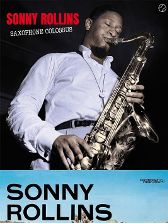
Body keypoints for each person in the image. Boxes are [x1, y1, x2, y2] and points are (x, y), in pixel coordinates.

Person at [7, 5, 144, 170]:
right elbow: (19, 109)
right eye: (108, 24)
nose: (113, 32)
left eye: (118, 30)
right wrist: (52, 139)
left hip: (105, 166)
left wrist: (133, 111)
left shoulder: (120, 81)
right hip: (60, 160)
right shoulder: (54, 61)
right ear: (88, 24)